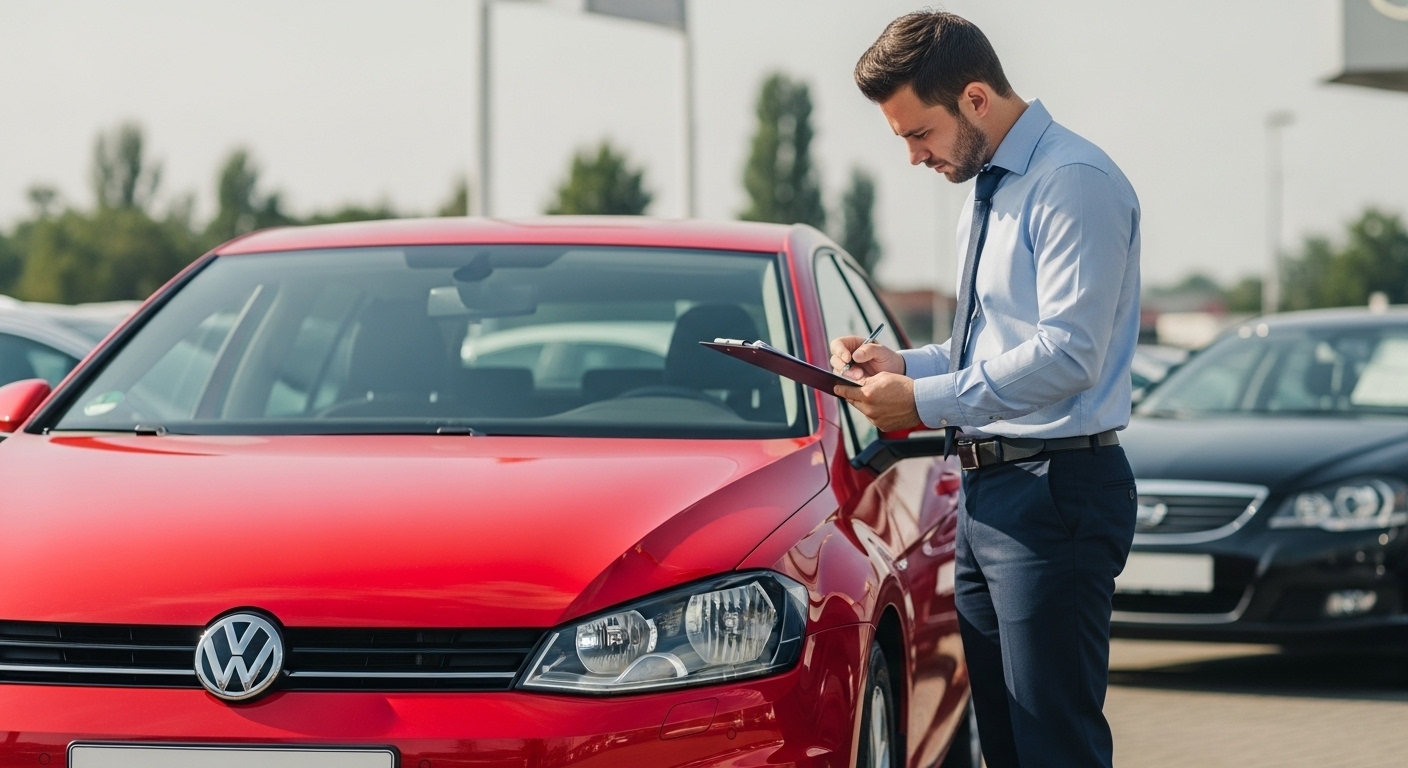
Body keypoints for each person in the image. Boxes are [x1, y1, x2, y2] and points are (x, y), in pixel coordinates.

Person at [832, 11, 1140, 768]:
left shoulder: (1074, 181)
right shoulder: (992, 187)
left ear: (975, 99)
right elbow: (983, 350)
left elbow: (1069, 356)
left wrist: (924, 405)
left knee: (1054, 747)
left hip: (1055, 492)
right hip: (990, 496)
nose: (911, 157)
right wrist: (903, 367)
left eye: (918, 133)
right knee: (1002, 745)